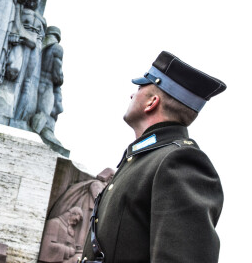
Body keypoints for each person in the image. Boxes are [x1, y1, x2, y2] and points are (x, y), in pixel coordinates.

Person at [80, 51, 226, 263]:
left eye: (140, 88)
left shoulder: (179, 162)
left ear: (152, 103)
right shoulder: (143, 160)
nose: (132, 95)